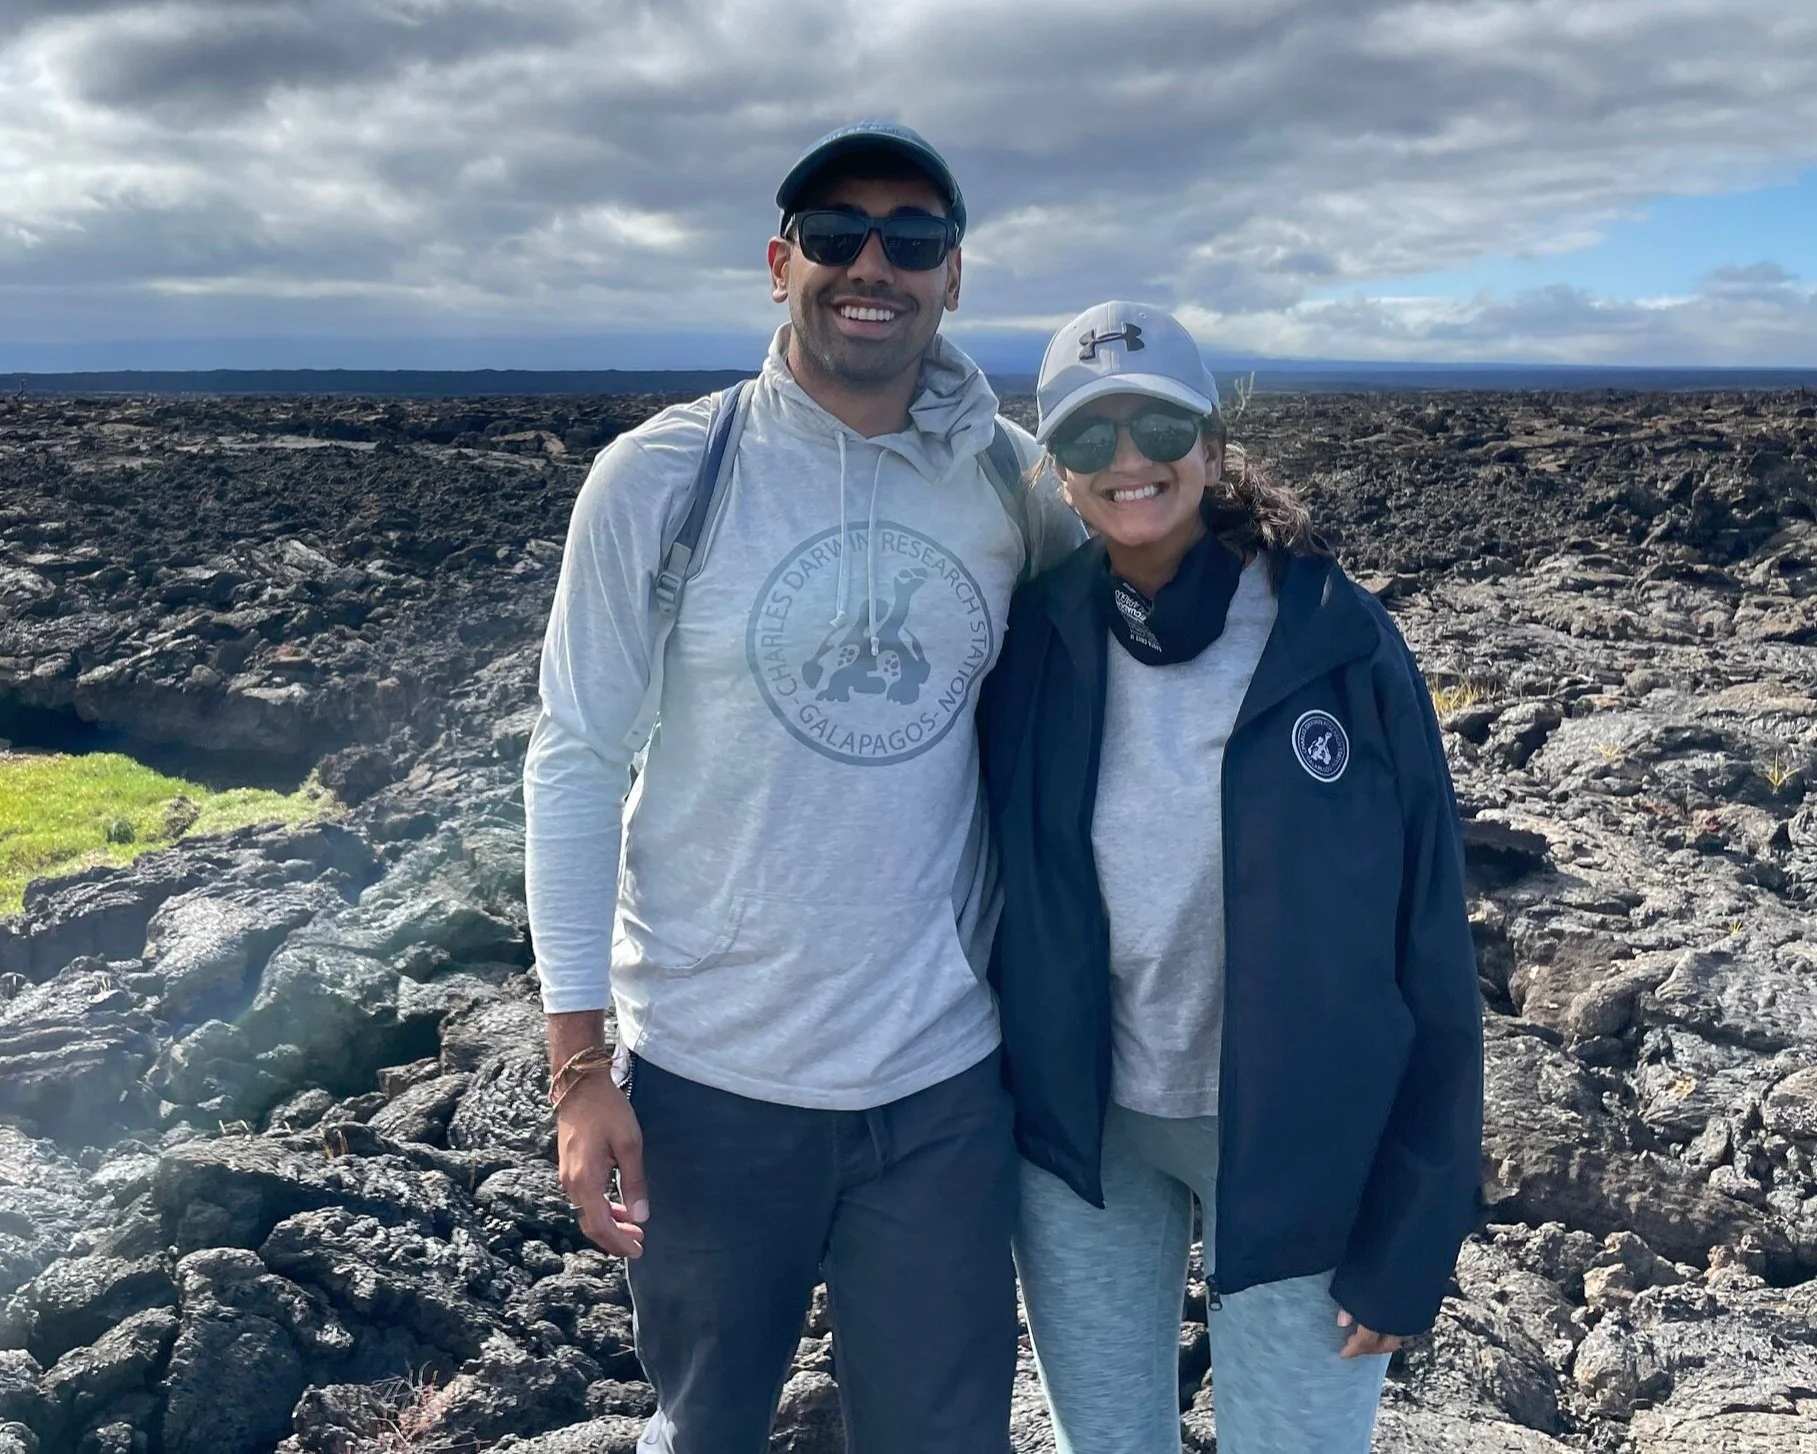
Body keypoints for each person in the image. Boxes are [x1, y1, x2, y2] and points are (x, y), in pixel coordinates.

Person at [522, 122, 1079, 1454]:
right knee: (703, 1426)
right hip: (708, 1081)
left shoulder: (1011, 481)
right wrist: (578, 1066)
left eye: (912, 238)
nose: (871, 264)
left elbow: (1125, 663)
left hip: (942, 1084)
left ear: (954, 277)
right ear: (780, 265)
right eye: (835, 235)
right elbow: (576, 755)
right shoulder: (665, 476)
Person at [981, 301, 1484, 1453]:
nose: (1128, 458)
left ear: (1211, 445)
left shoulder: (1337, 644)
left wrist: (1413, 1224)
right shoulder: (1036, 639)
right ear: (1058, 474)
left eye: (1158, 425)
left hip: (1301, 1136)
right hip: (1085, 1133)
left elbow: (1428, 944)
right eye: (1088, 435)